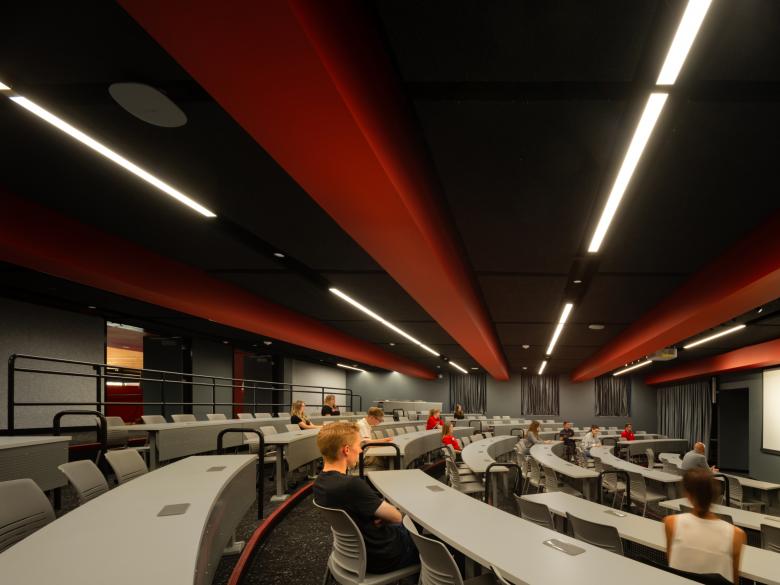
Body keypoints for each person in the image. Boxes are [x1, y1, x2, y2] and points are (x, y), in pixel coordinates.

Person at [313, 422, 419, 574]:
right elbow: (396, 517)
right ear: (346, 450)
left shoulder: (319, 483)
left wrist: (377, 513)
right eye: (359, 445)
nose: (361, 450)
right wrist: (387, 512)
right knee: (431, 540)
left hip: (354, 554)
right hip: (382, 557)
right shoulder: (351, 485)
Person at [664, 468, 745, 583]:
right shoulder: (736, 535)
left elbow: (673, 566)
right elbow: (734, 581)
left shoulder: (671, 523)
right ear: (715, 496)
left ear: (688, 495)